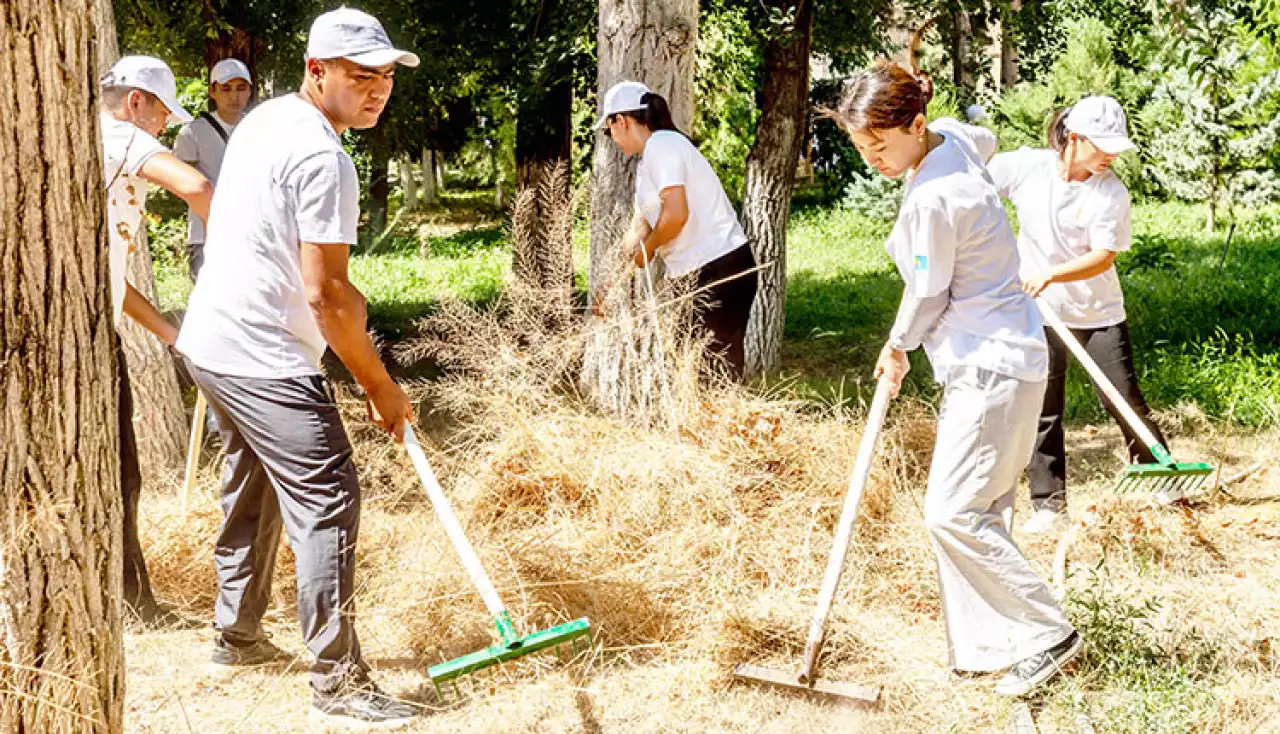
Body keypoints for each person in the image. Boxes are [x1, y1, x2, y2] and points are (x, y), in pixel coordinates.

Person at [175, 8, 421, 726]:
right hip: (261, 354)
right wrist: (379, 385)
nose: (376, 90)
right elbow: (327, 296)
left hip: (211, 340)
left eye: (384, 78)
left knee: (253, 482)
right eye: (359, 76)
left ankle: (236, 632)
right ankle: (339, 682)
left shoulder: (269, 118)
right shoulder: (325, 159)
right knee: (327, 498)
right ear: (318, 72)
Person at [827, 62, 1082, 696]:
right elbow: (986, 137)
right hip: (1013, 357)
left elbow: (927, 290)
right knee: (984, 508)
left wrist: (896, 346)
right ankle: (990, 646)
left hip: (988, 364)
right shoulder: (951, 140)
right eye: (863, 149)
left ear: (915, 126)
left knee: (952, 513)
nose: (875, 162)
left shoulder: (934, 199)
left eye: (882, 147)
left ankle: (1048, 632)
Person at [988, 96, 1173, 535]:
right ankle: (1049, 505)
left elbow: (1103, 256)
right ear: (1074, 137)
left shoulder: (1110, 192)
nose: (1110, 155)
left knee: (1122, 397)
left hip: (1098, 313)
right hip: (1041, 314)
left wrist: (1049, 273)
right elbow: (978, 184)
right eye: (1102, 145)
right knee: (1042, 407)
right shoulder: (1029, 169)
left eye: (1115, 146)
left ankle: (1161, 476)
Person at [100, 55, 215, 623]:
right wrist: (247, 240)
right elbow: (195, 185)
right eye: (163, 114)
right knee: (120, 471)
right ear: (137, 101)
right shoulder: (120, 136)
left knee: (117, 468)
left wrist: (173, 334)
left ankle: (128, 599)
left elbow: (110, 279)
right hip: (85, 344)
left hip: (93, 325)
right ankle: (131, 604)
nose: (166, 127)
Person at [597, 80, 759, 379]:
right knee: (693, 374)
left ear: (620, 120)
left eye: (608, 131)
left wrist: (647, 250)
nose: (612, 138)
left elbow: (675, 214)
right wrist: (612, 283)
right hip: (695, 274)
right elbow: (639, 228)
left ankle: (728, 424)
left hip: (719, 269)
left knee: (712, 377)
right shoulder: (647, 165)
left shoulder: (663, 144)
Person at [174, 58, 253, 279]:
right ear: (212, 91)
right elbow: (181, 185)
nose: (234, 96)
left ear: (249, 91)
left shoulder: (259, 128)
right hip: (205, 235)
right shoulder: (192, 132)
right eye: (226, 88)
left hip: (251, 233)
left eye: (240, 88)